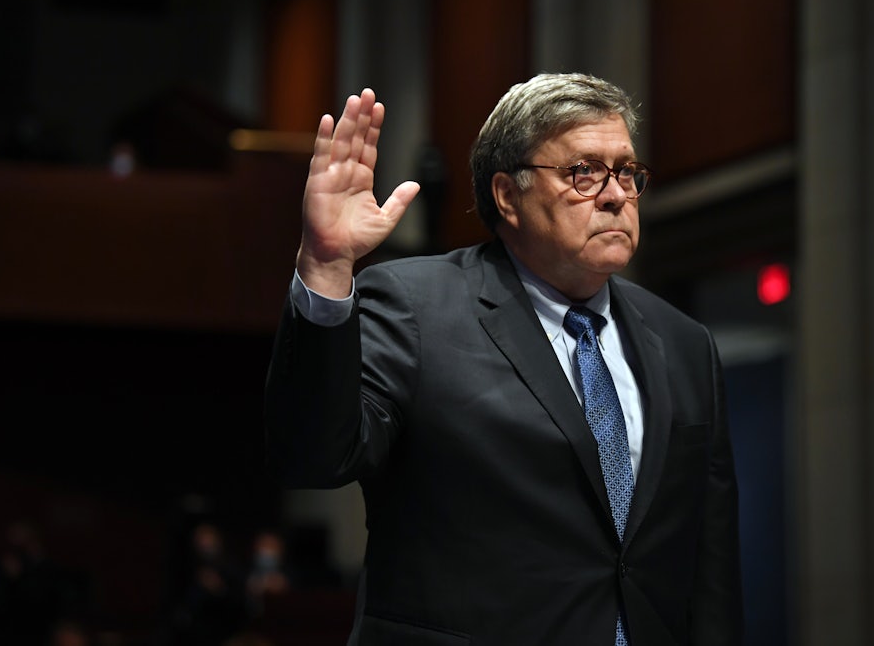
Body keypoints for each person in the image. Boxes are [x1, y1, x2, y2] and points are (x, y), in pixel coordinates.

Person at [264, 72, 743, 645]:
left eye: (627, 173)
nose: (615, 194)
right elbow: (314, 457)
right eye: (583, 172)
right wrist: (324, 268)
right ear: (508, 195)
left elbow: (710, 565)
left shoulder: (684, 342)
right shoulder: (417, 307)